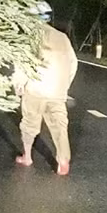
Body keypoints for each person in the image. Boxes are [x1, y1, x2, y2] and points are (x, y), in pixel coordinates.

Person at [11, 20, 78, 175]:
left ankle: (27, 157)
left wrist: (18, 85)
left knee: (29, 123)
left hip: (36, 88)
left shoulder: (32, 36)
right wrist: (64, 85)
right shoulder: (62, 37)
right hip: (57, 90)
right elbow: (73, 62)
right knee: (60, 125)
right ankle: (63, 159)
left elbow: (23, 63)